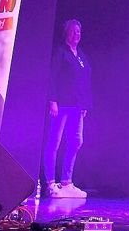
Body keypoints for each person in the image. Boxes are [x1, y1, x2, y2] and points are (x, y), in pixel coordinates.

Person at [42, 19, 92, 198]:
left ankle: (66, 182)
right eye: (73, 31)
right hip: (61, 104)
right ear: (66, 33)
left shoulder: (81, 56)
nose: (76, 35)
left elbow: (85, 81)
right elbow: (52, 77)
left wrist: (85, 104)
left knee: (76, 141)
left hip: (77, 106)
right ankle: (50, 183)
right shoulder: (60, 52)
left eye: (78, 32)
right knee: (54, 142)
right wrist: (52, 100)